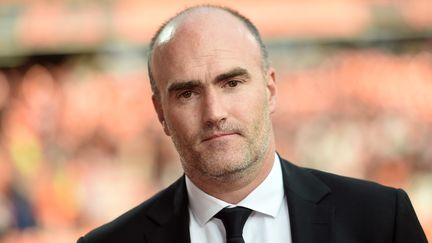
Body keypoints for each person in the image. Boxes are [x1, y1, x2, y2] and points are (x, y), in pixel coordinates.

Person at [77, 5, 428, 243]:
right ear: (160, 112)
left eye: (232, 83)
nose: (214, 112)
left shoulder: (381, 220)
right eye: (187, 93)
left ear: (270, 89)